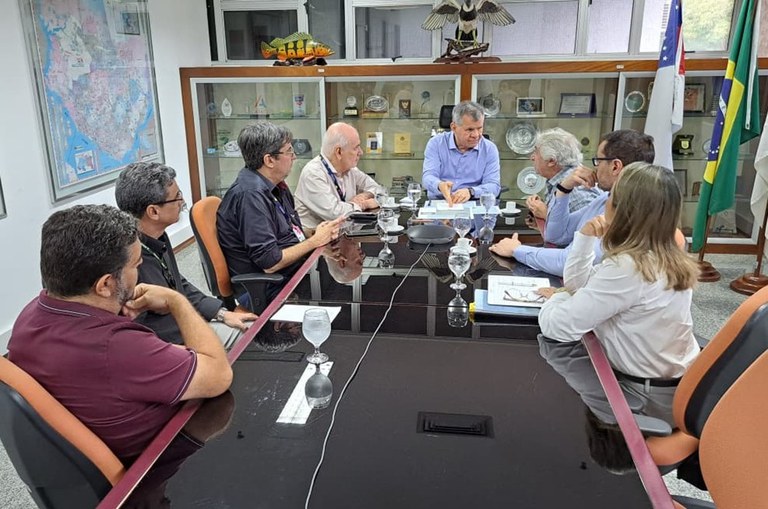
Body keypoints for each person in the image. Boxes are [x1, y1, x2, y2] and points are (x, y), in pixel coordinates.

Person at [7, 205, 232, 463]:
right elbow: (218, 375)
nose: (139, 272)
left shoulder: (29, 317)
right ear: (105, 284)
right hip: (161, 465)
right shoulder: (117, 347)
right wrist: (175, 301)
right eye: (136, 265)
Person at [538, 163, 700, 396]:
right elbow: (576, 285)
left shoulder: (629, 267)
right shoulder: (664, 254)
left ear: (622, 210)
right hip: (673, 381)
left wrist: (555, 298)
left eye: (611, 195)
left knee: (549, 373)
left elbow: (559, 327)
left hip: (639, 393)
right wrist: (584, 239)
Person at [115, 162, 257, 349]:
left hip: (189, 324)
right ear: (153, 211)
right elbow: (138, 333)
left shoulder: (156, 236)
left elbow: (178, 285)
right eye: (177, 197)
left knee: (254, 328)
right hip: (174, 345)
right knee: (253, 339)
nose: (182, 202)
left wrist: (221, 313)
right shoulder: (128, 261)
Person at [490, 129, 655, 276]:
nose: (594, 168)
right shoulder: (605, 199)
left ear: (615, 167)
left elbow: (569, 262)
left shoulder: (625, 209)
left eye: (598, 160)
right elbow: (556, 235)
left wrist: (517, 250)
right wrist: (564, 189)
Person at [217, 122, 344, 301]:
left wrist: (311, 233)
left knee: (344, 281)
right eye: (289, 152)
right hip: (270, 287)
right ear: (269, 160)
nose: (294, 157)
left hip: (292, 270)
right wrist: (315, 241)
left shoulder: (276, 186)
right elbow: (270, 262)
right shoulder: (250, 196)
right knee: (344, 296)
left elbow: (284, 232)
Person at [295, 122, 383, 230]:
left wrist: (364, 196)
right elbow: (335, 214)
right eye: (356, 148)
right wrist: (364, 205)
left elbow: (380, 190)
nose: (361, 152)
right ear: (339, 152)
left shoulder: (350, 169)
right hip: (318, 244)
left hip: (345, 237)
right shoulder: (313, 173)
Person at [523, 128, 602, 243]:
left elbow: (590, 234)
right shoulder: (559, 178)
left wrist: (546, 214)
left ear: (551, 161)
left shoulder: (576, 188)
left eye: (536, 152)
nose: (532, 157)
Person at [422, 100, 500, 206]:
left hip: (474, 204)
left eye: (480, 128)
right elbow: (427, 177)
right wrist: (439, 185)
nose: (476, 135)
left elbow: (494, 186)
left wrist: (471, 192)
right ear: (453, 127)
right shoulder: (436, 144)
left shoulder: (490, 149)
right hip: (440, 203)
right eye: (470, 129)